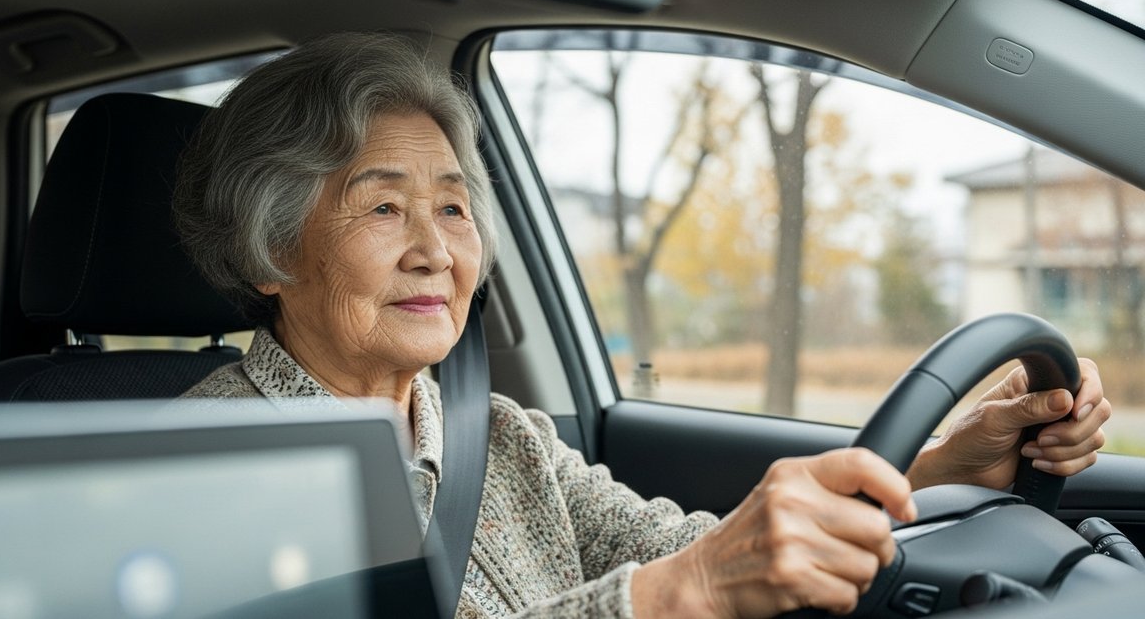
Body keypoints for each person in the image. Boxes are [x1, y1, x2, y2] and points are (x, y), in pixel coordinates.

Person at [173, 33, 1113, 619]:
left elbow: (687, 545)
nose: (436, 252)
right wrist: (678, 598)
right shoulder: (202, 471)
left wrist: (940, 468)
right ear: (270, 250)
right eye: (383, 209)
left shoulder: (494, 432)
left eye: (454, 209)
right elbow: (686, 580)